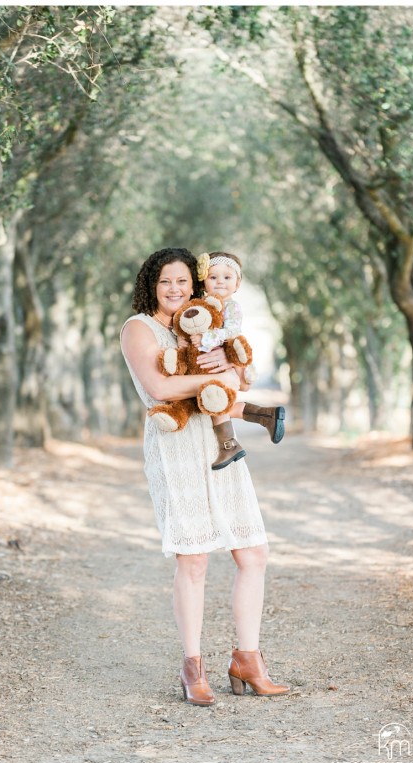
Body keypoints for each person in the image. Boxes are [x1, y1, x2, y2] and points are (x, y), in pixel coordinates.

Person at [120, 247, 290, 706]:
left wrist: (229, 368)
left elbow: (242, 380)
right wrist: (209, 379)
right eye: (164, 283)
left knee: (253, 551)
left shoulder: (205, 324)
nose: (175, 290)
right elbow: (158, 387)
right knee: (193, 558)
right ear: (150, 286)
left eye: (182, 282)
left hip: (221, 442)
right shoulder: (140, 329)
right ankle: (193, 667)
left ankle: (247, 660)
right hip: (176, 445)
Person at [185, 251, 285, 470]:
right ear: (203, 280)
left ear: (237, 284)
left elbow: (232, 331)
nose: (220, 281)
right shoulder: (199, 303)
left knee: (214, 402)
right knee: (207, 404)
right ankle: (266, 415)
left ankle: (228, 444)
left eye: (227, 277)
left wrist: (205, 338)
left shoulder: (232, 307)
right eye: (213, 277)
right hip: (205, 360)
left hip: (223, 357)